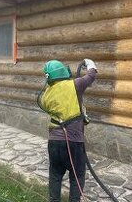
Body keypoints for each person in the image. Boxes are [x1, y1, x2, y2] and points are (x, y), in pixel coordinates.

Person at [40, 59, 97, 202]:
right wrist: (91, 64)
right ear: (62, 71)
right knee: (77, 176)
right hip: (73, 142)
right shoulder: (75, 85)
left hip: (53, 142)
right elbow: (90, 76)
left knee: (55, 175)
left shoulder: (45, 95)